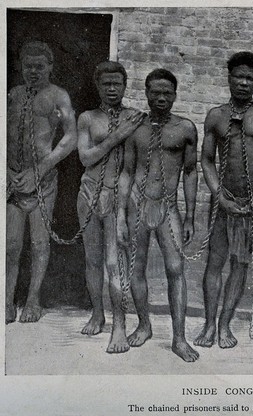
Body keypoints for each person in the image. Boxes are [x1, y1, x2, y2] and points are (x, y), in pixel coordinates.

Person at [116, 68, 199, 362]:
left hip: (168, 207)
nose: (161, 98)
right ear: (147, 94)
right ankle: (144, 324)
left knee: (176, 268)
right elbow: (126, 171)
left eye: (167, 93)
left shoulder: (186, 128)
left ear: (175, 95)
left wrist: (189, 216)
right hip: (137, 205)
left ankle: (179, 338)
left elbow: (190, 172)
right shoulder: (135, 128)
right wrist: (121, 215)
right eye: (155, 92)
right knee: (136, 269)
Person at [194, 52, 253, 349]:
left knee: (240, 265)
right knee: (214, 263)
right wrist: (218, 195)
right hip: (223, 202)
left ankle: (225, 325)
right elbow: (206, 159)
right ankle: (208, 325)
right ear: (228, 78)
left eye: (250, 79)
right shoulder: (216, 115)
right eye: (238, 77)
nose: (244, 83)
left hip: (252, 205)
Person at [76, 61, 145, 352]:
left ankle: (120, 325)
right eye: (106, 84)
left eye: (117, 83)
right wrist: (116, 137)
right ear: (98, 86)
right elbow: (85, 157)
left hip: (120, 196)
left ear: (125, 85)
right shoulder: (87, 118)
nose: (112, 89)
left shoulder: (137, 117)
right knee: (93, 260)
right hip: (89, 192)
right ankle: (97, 313)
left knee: (115, 263)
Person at [6, 41, 77, 324]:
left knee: (38, 242)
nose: (32, 71)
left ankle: (33, 298)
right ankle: (7, 301)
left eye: (39, 66)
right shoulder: (13, 94)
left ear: (50, 67)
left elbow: (70, 138)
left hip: (43, 180)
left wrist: (44, 166)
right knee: (11, 244)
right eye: (27, 66)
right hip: (13, 178)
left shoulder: (59, 96)